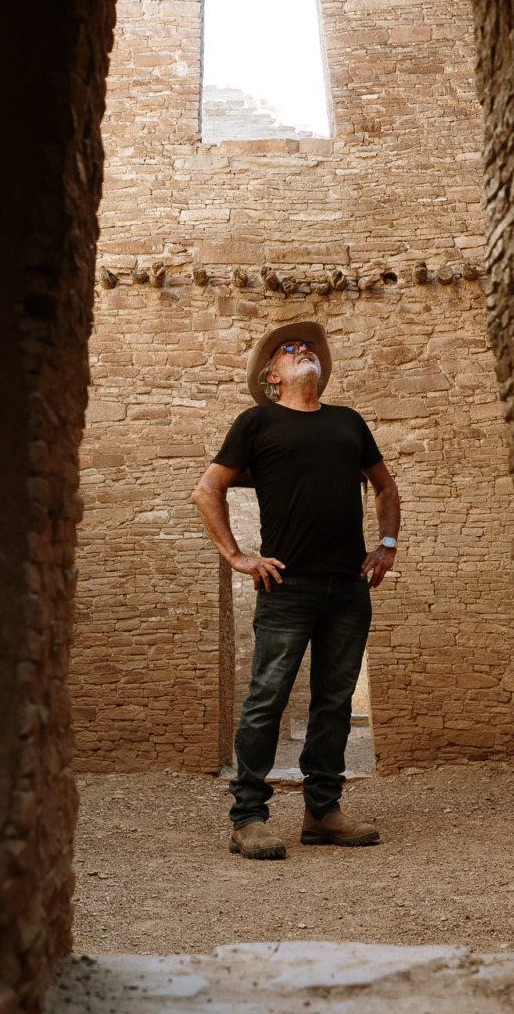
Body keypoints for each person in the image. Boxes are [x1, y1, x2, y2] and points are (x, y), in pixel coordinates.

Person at [192, 320, 401, 860]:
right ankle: (248, 818)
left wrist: (386, 544)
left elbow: (384, 485)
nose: (303, 349)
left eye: (307, 346)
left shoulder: (348, 423)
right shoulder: (256, 422)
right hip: (287, 584)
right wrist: (237, 556)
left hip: (350, 585)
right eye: (290, 348)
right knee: (267, 697)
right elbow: (207, 489)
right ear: (271, 376)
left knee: (332, 700)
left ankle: (322, 811)